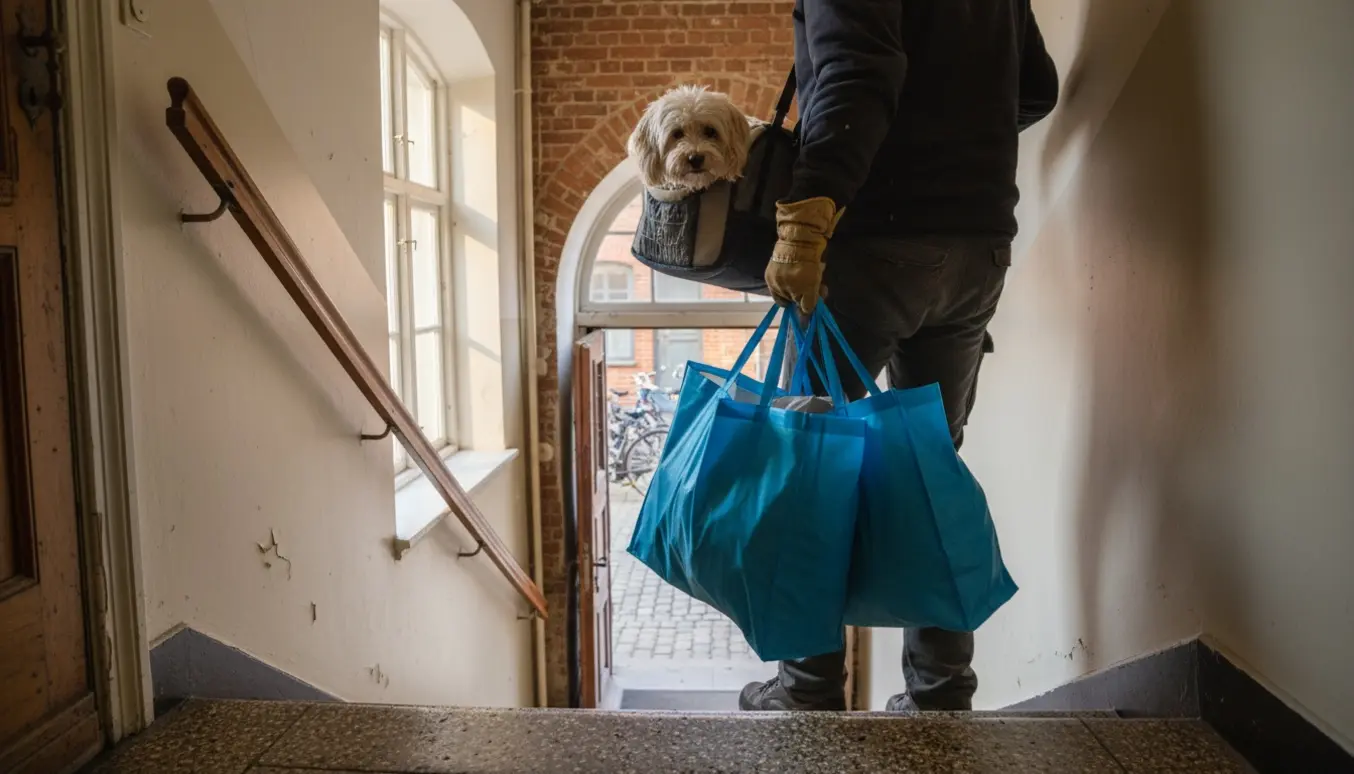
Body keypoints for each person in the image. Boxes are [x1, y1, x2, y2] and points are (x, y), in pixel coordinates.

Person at [741, 0, 1059, 712]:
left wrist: (807, 220)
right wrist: (953, 146)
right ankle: (941, 693)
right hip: (977, 246)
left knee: (809, 463)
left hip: (870, 245)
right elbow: (1037, 86)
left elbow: (857, 69)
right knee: (931, 467)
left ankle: (808, 688)